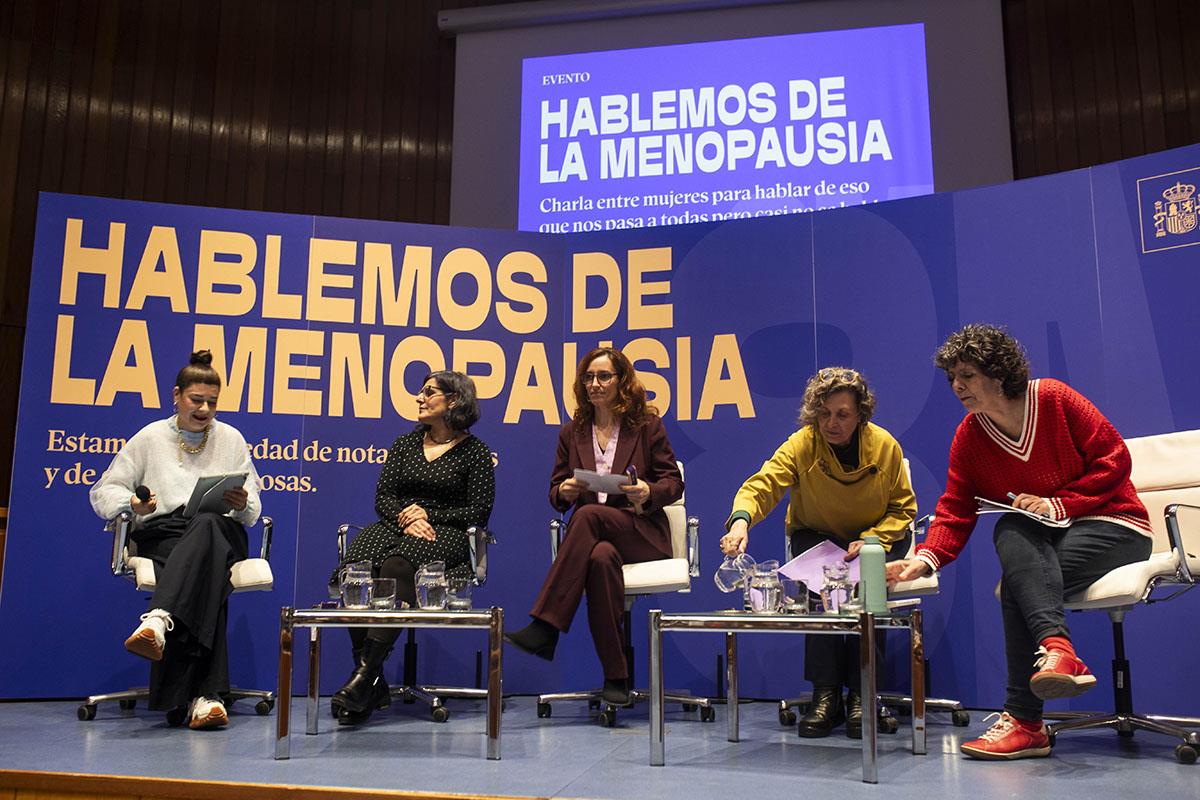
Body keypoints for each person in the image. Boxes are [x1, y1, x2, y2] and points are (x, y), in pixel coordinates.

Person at [888, 324, 1153, 760]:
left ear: (998, 373)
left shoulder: (1052, 398)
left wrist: (1059, 503)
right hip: (1049, 541)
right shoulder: (970, 437)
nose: (957, 386)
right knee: (1010, 531)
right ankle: (1058, 652)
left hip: (1116, 527)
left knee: (1017, 581)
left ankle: (1026, 722)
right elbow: (956, 507)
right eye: (952, 377)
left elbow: (1115, 458)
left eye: (968, 375)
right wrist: (924, 559)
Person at [719, 367, 917, 738]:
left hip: (872, 539)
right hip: (817, 534)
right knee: (818, 590)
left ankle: (862, 692)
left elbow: (904, 510)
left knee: (869, 590)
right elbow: (763, 485)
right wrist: (741, 522)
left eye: (842, 414)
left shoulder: (885, 446)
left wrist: (873, 538)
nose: (832, 423)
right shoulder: (802, 444)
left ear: (860, 414)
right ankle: (824, 693)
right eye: (824, 414)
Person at [89, 351, 262, 730]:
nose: (204, 409)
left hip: (221, 529)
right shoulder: (150, 437)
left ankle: (158, 618)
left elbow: (253, 508)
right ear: (176, 395)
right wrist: (132, 503)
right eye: (195, 400)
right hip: (165, 533)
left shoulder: (231, 438)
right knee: (207, 578)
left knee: (207, 525)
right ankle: (205, 697)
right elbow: (103, 493)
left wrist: (244, 502)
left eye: (212, 403)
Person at [504, 347, 684, 706]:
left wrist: (647, 491)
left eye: (603, 376)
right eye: (588, 377)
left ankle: (546, 625)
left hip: (642, 532)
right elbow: (555, 492)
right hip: (595, 539)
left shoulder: (647, 425)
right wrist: (565, 490)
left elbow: (673, 483)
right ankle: (616, 676)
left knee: (586, 517)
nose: (594, 384)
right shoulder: (572, 433)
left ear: (622, 382)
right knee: (600, 558)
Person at [329, 370, 495, 725]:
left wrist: (428, 514)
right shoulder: (405, 444)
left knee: (399, 565)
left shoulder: (476, 453)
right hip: (398, 524)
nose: (419, 398)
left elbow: (479, 511)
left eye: (428, 392)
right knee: (357, 565)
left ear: (453, 400)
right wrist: (408, 516)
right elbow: (383, 496)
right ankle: (371, 680)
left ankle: (363, 678)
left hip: (447, 534)